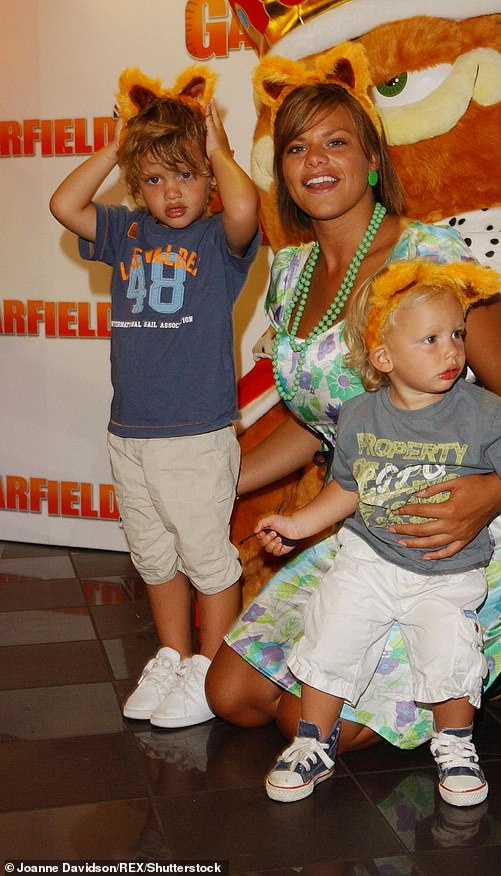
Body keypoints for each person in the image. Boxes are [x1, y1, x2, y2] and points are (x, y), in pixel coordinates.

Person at [205, 50, 501, 754]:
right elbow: (320, 418)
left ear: (373, 161)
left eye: (335, 141)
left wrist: (489, 492)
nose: (315, 159)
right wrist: (218, 474)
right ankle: (498, 645)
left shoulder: (433, 257)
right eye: (296, 146)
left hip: (459, 523)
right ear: (283, 171)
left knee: (299, 722)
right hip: (362, 527)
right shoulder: (290, 274)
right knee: (233, 696)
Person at [253, 258, 501, 805]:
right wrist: (297, 525)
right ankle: (312, 742)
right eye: (431, 339)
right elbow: (346, 487)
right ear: (383, 357)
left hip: (448, 567)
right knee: (331, 631)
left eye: (457, 336)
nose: (452, 351)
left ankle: (456, 744)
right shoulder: (359, 415)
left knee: (451, 651)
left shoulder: (481, 410)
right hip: (368, 559)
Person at [49, 68, 261, 729]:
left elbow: (248, 208)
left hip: (195, 434)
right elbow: (63, 204)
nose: (173, 192)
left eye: (188, 175)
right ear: (136, 186)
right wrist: (123, 145)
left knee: (205, 556)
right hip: (130, 431)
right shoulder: (126, 232)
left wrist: (219, 147)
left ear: (208, 180)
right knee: (152, 555)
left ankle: (210, 664)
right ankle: (173, 655)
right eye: (156, 178)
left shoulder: (218, 240)